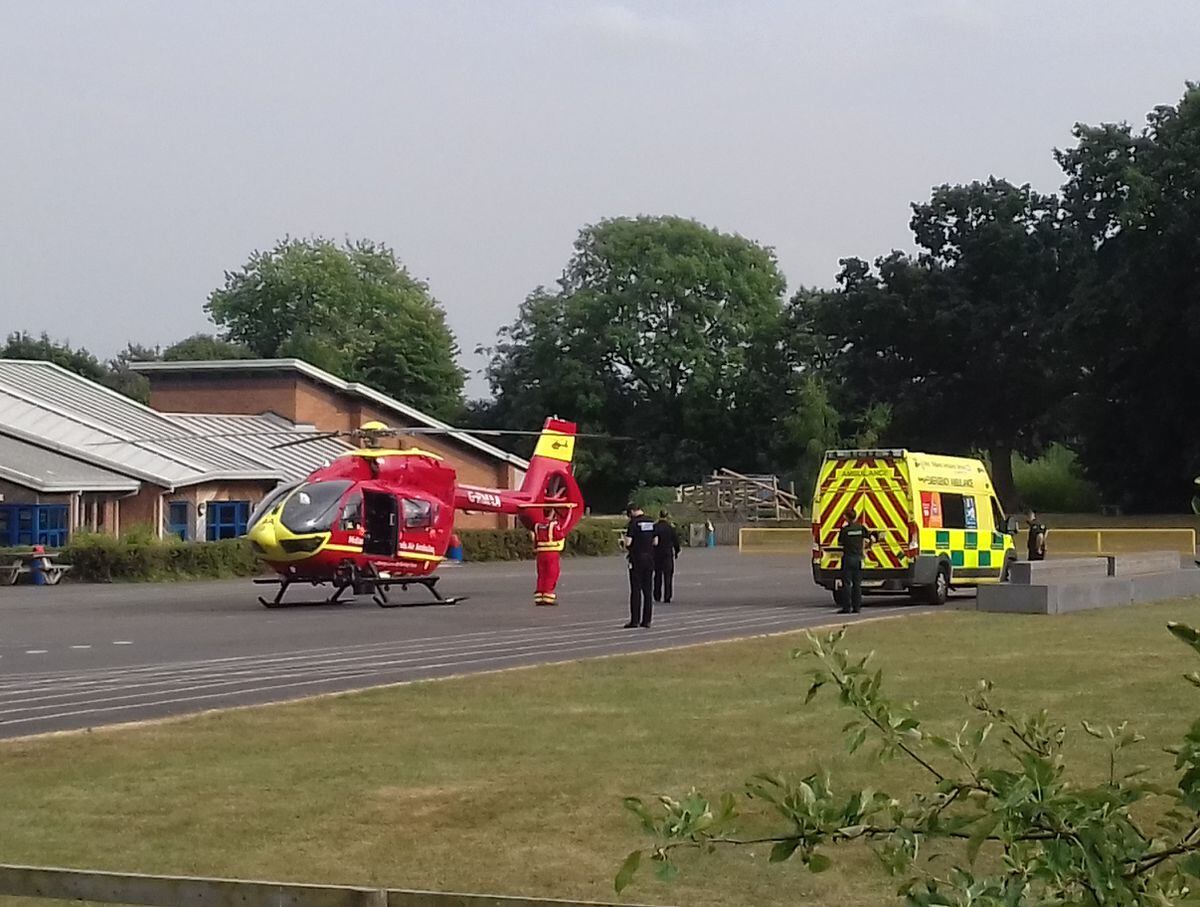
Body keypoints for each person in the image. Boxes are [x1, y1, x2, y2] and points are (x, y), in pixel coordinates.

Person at [622, 503, 657, 627]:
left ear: (631, 511)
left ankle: (635, 620)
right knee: (648, 591)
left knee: (636, 590)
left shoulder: (633, 524)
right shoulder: (651, 522)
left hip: (637, 558)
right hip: (650, 558)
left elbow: (628, 542)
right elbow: (655, 541)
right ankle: (647, 620)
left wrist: (625, 545)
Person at [837, 508, 877, 614]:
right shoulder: (861, 528)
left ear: (846, 517)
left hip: (848, 558)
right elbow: (872, 538)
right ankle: (857, 607)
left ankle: (846, 607)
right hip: (858, 558)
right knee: (857, 584)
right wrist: (868, 547)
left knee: (846, 584)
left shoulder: (845, 530)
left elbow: (840, 543)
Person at [532, 509, 565, 605]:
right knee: (551, 574)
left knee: (541, 575)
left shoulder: (537, 525)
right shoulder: (553, 525)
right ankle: (547, 596)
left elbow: (535, 540)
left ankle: (539, 597)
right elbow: (559, 535)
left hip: (540, 553)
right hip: (551, 552)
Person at [653, 510, 681, 603]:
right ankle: (667, 596)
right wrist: (677, 551)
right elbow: (676, 541)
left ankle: (657, 595)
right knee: (668, 576)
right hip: (667, 554)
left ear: (659, 516)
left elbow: (652, 540)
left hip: (657, 554)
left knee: (657, 575)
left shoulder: (655, 527)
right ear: (667, 516)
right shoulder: (670, 528)